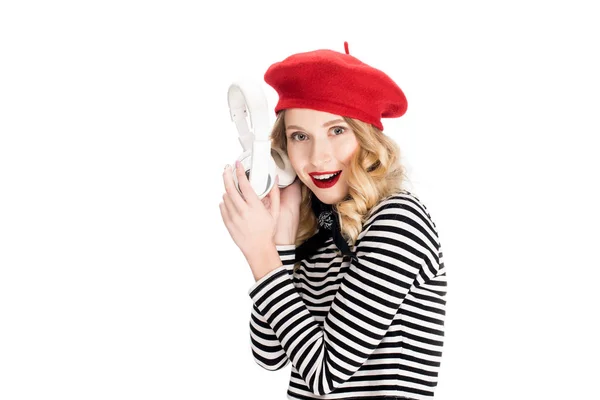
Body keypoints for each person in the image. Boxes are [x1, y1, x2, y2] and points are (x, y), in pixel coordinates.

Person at [219, 42, 447, 400]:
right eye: (300, 136)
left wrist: (260, 255)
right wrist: (283, 234)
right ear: (281, 152)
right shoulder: (316, 231)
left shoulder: (398, 220)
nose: (318, 156)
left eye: (337, 131)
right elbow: (269, 353)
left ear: (367, 138)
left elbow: (326, 373)